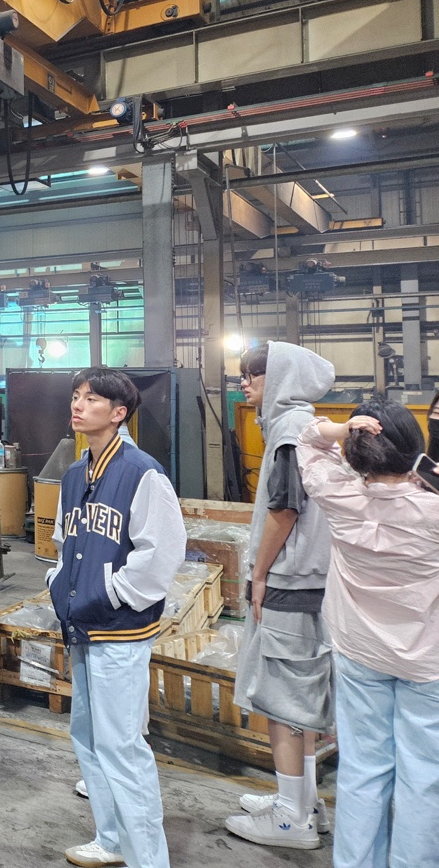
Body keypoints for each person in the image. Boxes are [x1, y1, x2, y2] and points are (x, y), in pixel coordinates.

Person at [49, 367, 185, 868]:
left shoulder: (141, 471)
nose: (78, 405)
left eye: (91, 399)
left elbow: (162, 553)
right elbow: (63, 541)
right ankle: (111, 839)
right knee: (87, 736)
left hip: (120, 629)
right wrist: (59, 584)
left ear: (119, 412)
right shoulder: (74, 473)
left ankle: (149, 859)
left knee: (122, 746)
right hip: (81, 623)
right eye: (76, 396)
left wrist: (109, 593)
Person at [295, 404, 439, 868]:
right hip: (428, 661)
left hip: (359, 651)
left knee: (362, 768)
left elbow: (308, 439)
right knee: (425, 777)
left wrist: (340, 427)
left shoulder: (337, 494)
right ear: (415, 449)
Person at [225, 343, 336, 849]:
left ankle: (292, 819)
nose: (244, 383)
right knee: (298, 697)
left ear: (282, 377)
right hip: (309, 582)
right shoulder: (305, 425)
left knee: (283, 699)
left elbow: (284, 510)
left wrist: (259, 572)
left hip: (289, 581)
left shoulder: (289, 430)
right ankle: (302, 799)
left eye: (253, 374)